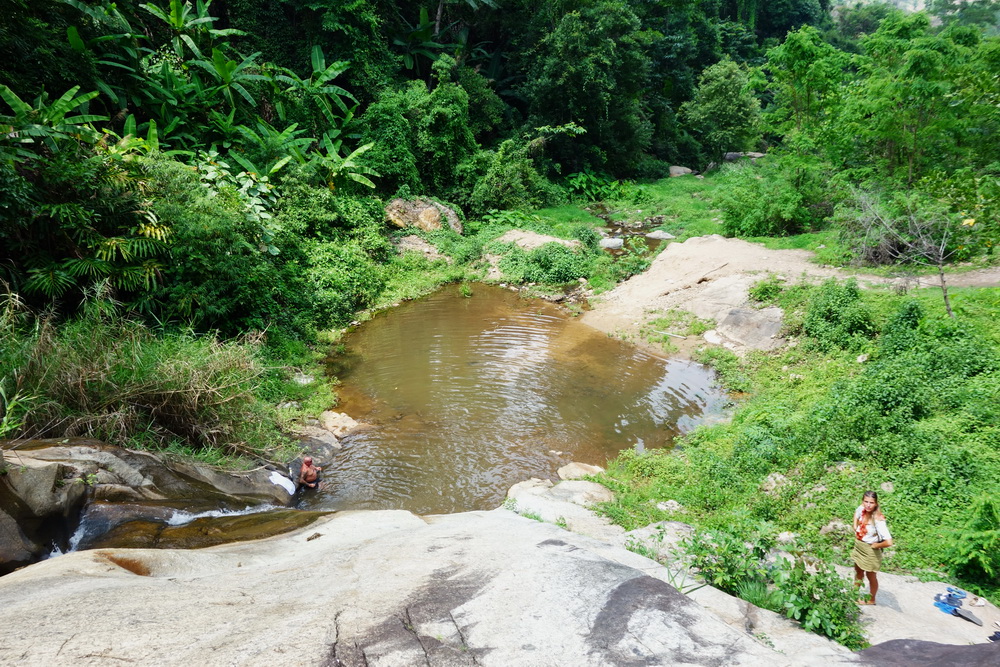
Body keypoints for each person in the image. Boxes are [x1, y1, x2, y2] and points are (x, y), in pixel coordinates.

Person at [852, 490, 893, 605]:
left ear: (876, 503)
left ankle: (871, 599)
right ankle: (854, 594)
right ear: (863, 501)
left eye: (871, 503)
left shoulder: (878, 519)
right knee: (858, 572)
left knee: (871, 576)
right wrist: (855, 526)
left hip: (871, 551)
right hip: (860, 546)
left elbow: (889, 542)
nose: (868, 505)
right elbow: (856, 513)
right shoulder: (862, 509)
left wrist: (876, 545)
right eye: (866, 502)